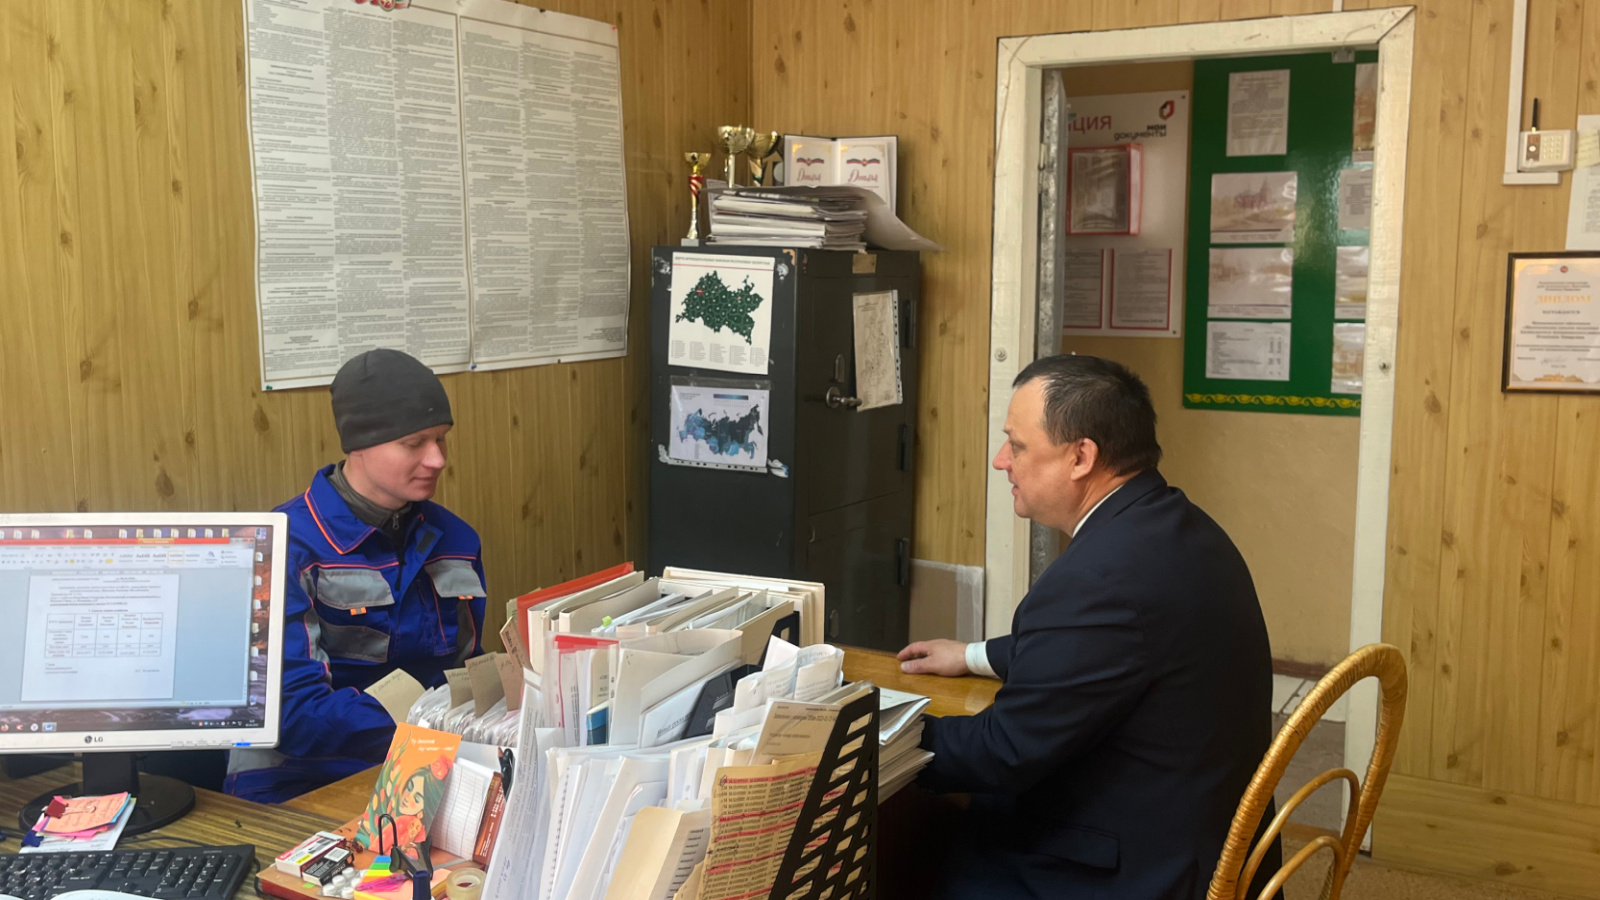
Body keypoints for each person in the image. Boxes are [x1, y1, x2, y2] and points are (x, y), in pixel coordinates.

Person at [897, 354, 1281, 899]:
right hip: (1205, 831)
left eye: (1017, 445)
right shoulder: (1182, 527)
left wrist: (871, 733)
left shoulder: (1099, 579)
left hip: (1139, 871)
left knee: (918, 845)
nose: (1001, 461)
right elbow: (1109, 650)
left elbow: (1002, 752)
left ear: (1081, 456)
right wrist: (973, 655)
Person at [225, 349, 487, 803]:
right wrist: (430, 721)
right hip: (299, 776)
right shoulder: (282, 546)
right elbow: (294, 715)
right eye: (415, 443)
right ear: (358, 445)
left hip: (423, 762)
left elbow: (465, 675)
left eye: (441, 439)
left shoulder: (457, 539)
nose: (437, 459)